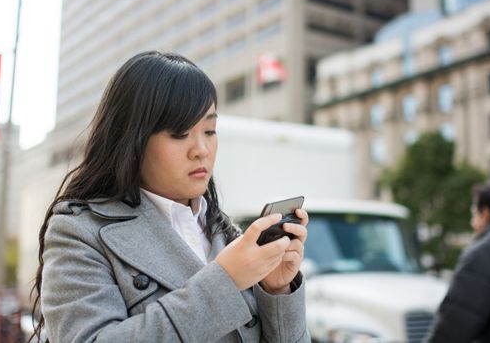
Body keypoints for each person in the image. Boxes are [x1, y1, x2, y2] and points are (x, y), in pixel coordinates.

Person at [30, 51, 310, 343]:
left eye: (210, 130)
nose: (201, 149)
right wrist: (224, 282)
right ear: (132, 137)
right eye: (180, 133)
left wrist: (277, 291)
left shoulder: (224, 232)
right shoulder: (79, 232)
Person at [427, 184, 490, 342]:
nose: (472, 223)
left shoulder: (484, 255)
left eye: (473, 214)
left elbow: (451, 331)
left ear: (485, 214)